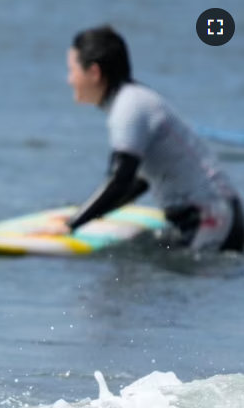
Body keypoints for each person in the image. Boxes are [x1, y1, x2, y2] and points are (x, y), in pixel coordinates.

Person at [44, 25, 243, 252]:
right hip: (216, 214)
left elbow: (119, 180)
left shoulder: (129, 108)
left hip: (211, 218)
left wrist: (72, 225)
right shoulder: (134, 101)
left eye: (72, 70)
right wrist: (86, 214)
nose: (69, 80)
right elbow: (136, 183)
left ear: (94, 73)